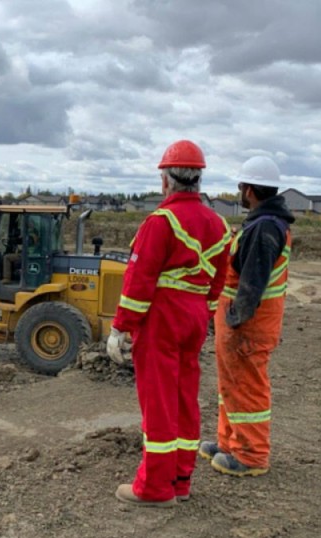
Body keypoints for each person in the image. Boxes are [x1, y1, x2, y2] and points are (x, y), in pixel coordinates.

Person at [107, 140, 231, 507]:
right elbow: (218, 282)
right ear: (198, 180)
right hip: (194, 318)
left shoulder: (161, 222)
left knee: (158, 401)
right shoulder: (220, 224)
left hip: (162, 318)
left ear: (166, 180)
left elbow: (138, 280)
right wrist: (202, 314)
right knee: (183, 399)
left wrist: (120, 328)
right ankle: (180, 480)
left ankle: (155, 488)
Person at [200, 156, 294, 477]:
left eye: (241, 186)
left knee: (247, 386)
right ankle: (230, 443)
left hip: (248, 326)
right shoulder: (263, 223)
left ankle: (251, 455)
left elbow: (252, 282)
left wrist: (236, 320)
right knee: (231, 385)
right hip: (241, 322)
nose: (240, 192)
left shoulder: (265, 227)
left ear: (250, 189)